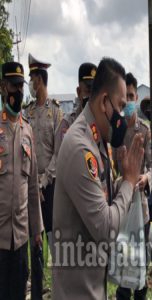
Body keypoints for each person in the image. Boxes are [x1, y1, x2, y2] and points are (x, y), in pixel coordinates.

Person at [52, 57, 145, 300]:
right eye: (121, 105)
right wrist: (128, 181)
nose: (124, 115)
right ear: (104, 102)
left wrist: (122, 181)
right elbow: (106, 228)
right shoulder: (80, 148)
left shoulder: (98, 140)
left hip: (92, 285)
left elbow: (101, 196)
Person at [0, 61, 43, 300]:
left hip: (21, 238)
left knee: (17, 293)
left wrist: (36, 230)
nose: (18, 91)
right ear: (3, 87)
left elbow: (34, 186)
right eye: (14, 86)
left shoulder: (28, 131)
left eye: (21, 85)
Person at [24, 53, 63, 299]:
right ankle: (37, 292)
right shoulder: (27, 113)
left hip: (50, 187)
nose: (30, 83)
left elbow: (58, 154)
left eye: (32, 78)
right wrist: (33, 184)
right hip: (31, 187)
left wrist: (43, 182)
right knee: (34, 243)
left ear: (40, 80)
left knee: (53, 241)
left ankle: (59, 290)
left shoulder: (56, 112)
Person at [114, 73, 152, 300]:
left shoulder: (145, 131)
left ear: (136, 97)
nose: (128, 101)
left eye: (131, 96)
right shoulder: (116, 131)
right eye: (124, 97)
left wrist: (146, 179)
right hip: (121, 208)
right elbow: (111, 170)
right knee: (122, 271)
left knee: (140, 268)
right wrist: (123, 181)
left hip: (142, 210)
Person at [54, 62, 97, 157]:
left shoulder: (102, 123)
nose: (91, 97)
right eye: (88, 91)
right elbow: (59, 159)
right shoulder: (68, 123)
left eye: (95, 93)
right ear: (79, 92)